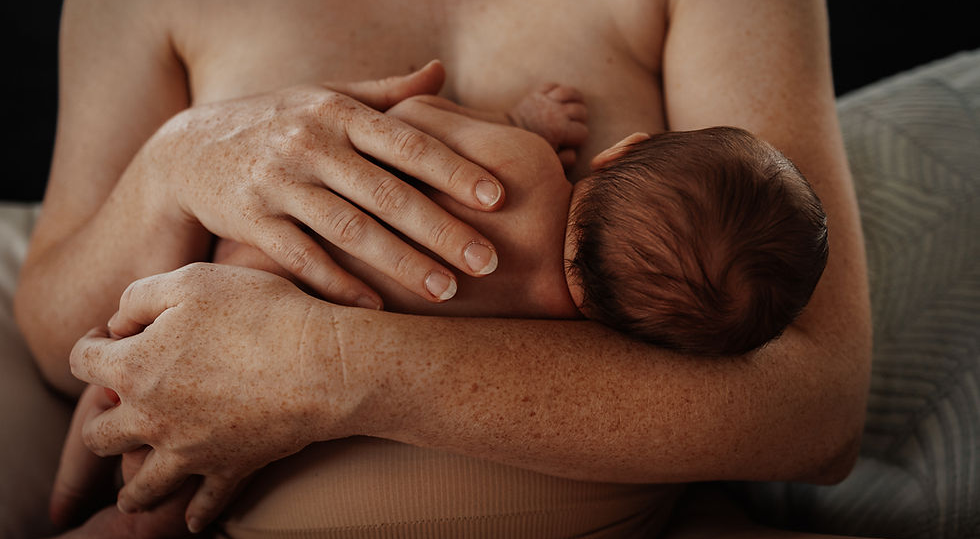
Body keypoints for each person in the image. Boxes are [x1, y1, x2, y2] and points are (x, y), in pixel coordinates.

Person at [14, 0, 916, 539]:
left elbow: (812, 407)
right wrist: (174, 162)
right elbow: (58, 335)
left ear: (610, 152)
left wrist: (321, 366)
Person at [218, 85, 829, 357]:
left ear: (622, 150)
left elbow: (412, 117)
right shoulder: (563, 333)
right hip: (264, 307)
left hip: (258, 237)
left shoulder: (524, 164)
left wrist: (517, 117)